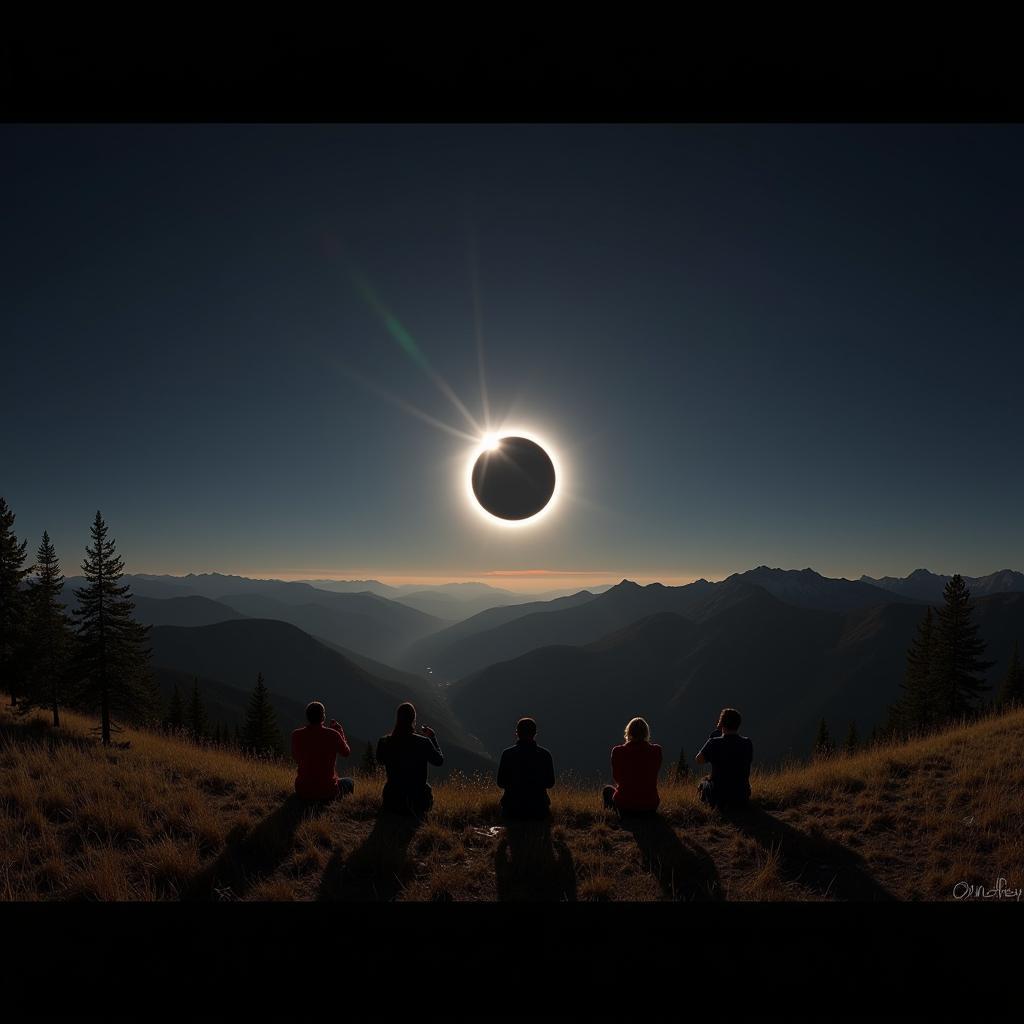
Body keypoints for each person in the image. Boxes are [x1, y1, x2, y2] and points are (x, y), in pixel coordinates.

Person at [376, 702, 444, 817]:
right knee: (426, 788)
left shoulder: (384, 741)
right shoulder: (423, 742)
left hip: (391, 800)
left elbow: (380, 761)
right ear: (413, 720)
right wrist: (432, 738)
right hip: (417, 802)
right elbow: (439, 761)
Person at [291, 700, 355, 801]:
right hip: (327, 791)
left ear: (307, 717)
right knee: (350, 782)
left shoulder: (296, 735)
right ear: (323, 717)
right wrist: (339, 732)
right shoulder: (333, 734)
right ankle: (338, 803)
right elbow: (346, 752)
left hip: (302, 789)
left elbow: (296, 757)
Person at [496, 717, 556, 821]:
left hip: (512, 810)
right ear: (535, 733)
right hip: (539, 810)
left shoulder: (507, 754)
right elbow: (550, 783)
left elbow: (501, 782)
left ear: (517, 733)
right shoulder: (545, 755)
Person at [602, 716, 662, 816]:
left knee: (607, 790)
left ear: (628, 732)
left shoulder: (618, 751)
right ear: (646, 733)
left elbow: (617, 778)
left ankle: (612, 818)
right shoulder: (656, 751)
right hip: (650, 806)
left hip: (626, 806)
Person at [694, 707, 753, 809]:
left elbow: (698, 760)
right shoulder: (747, 743)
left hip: (720, 799)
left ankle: (705, 807)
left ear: (721, 723)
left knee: (703, 783)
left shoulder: (714, 742)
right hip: (743, 796)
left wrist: (711, 740)